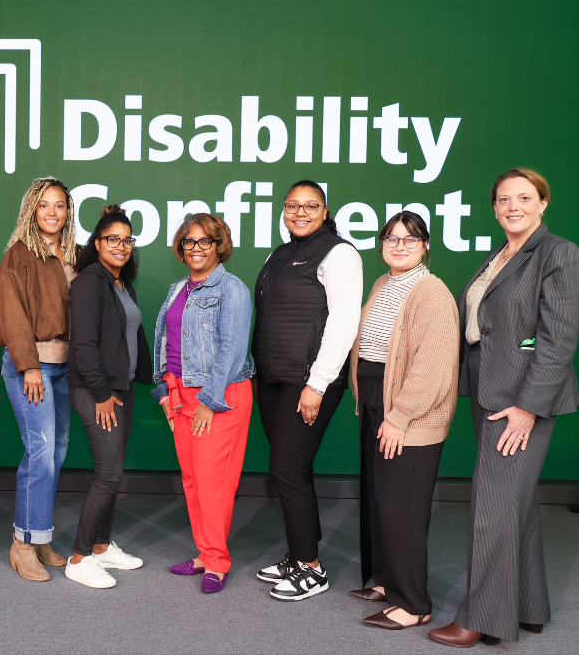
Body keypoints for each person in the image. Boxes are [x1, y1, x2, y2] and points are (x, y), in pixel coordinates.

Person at [430, 168, 579, 647]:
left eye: (524, 197)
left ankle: (481, 618)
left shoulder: (558, 253)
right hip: (489, 391)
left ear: (543, 203)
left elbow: (559, 340)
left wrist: (528, 407)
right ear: (494, 208)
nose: (513, 206)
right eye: (504, 199)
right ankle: (529, 608)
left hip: (520, 400)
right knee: (514, 502)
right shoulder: (499, 256)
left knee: (493, 505)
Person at [348, 211, 459, 630]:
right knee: (381, 498)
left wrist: (400, 416)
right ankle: (386, 582)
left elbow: (433, 366)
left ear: (425, 246)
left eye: (410, 239)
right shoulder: (383, 283)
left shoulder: (432, 293)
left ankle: (413, 604)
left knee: (402, 506)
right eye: (391, 238)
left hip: (409, 411)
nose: (399, 246)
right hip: (377, 398)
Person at [252, 179, 362, 600]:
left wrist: (317, 384)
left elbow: (343, 322)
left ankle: (312, 569)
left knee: (286, 469)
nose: (300, 212)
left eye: (310, 205)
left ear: (325, 211)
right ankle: (299, 555)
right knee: (292, 470)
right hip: (272, 380)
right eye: (292, 205)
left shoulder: (340, 254)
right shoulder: (279, 254)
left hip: (309, 382)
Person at [152, 213, 254, 594]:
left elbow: (232, 350)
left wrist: (209, 400)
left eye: (204, 241)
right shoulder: (178, 288)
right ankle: (204, 551)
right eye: (189, 242)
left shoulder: (232, 289)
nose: (196, 248)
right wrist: (164, 390)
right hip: (179, 394)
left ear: (218, 245)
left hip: (218, 395)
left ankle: (217, 561)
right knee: (193, 480)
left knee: (214, 484)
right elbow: (165, 341)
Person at [0, 177, 77, 581]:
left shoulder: (73, 254)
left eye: (59, 205)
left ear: (68, 211)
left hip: (65, 366)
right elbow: (11, 314)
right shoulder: (20, 254)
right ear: (31, 210)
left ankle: (40, 535)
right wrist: (29, 366)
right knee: (40, 451)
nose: (52, 212)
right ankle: (22, 544)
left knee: (57, 449)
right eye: (44, 205)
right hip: (32, 367)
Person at [65, 205, 152, 588]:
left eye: (127, 240)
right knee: (108, 474)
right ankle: (79, 557)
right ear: (97, 243)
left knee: (113, 473)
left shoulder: (121, 283)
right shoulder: (88, 282)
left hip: (121, 387)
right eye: (112, 239)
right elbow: (83, 345)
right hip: (96, 391)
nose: (121, 246)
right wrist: (101, 393)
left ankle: (101, 547)